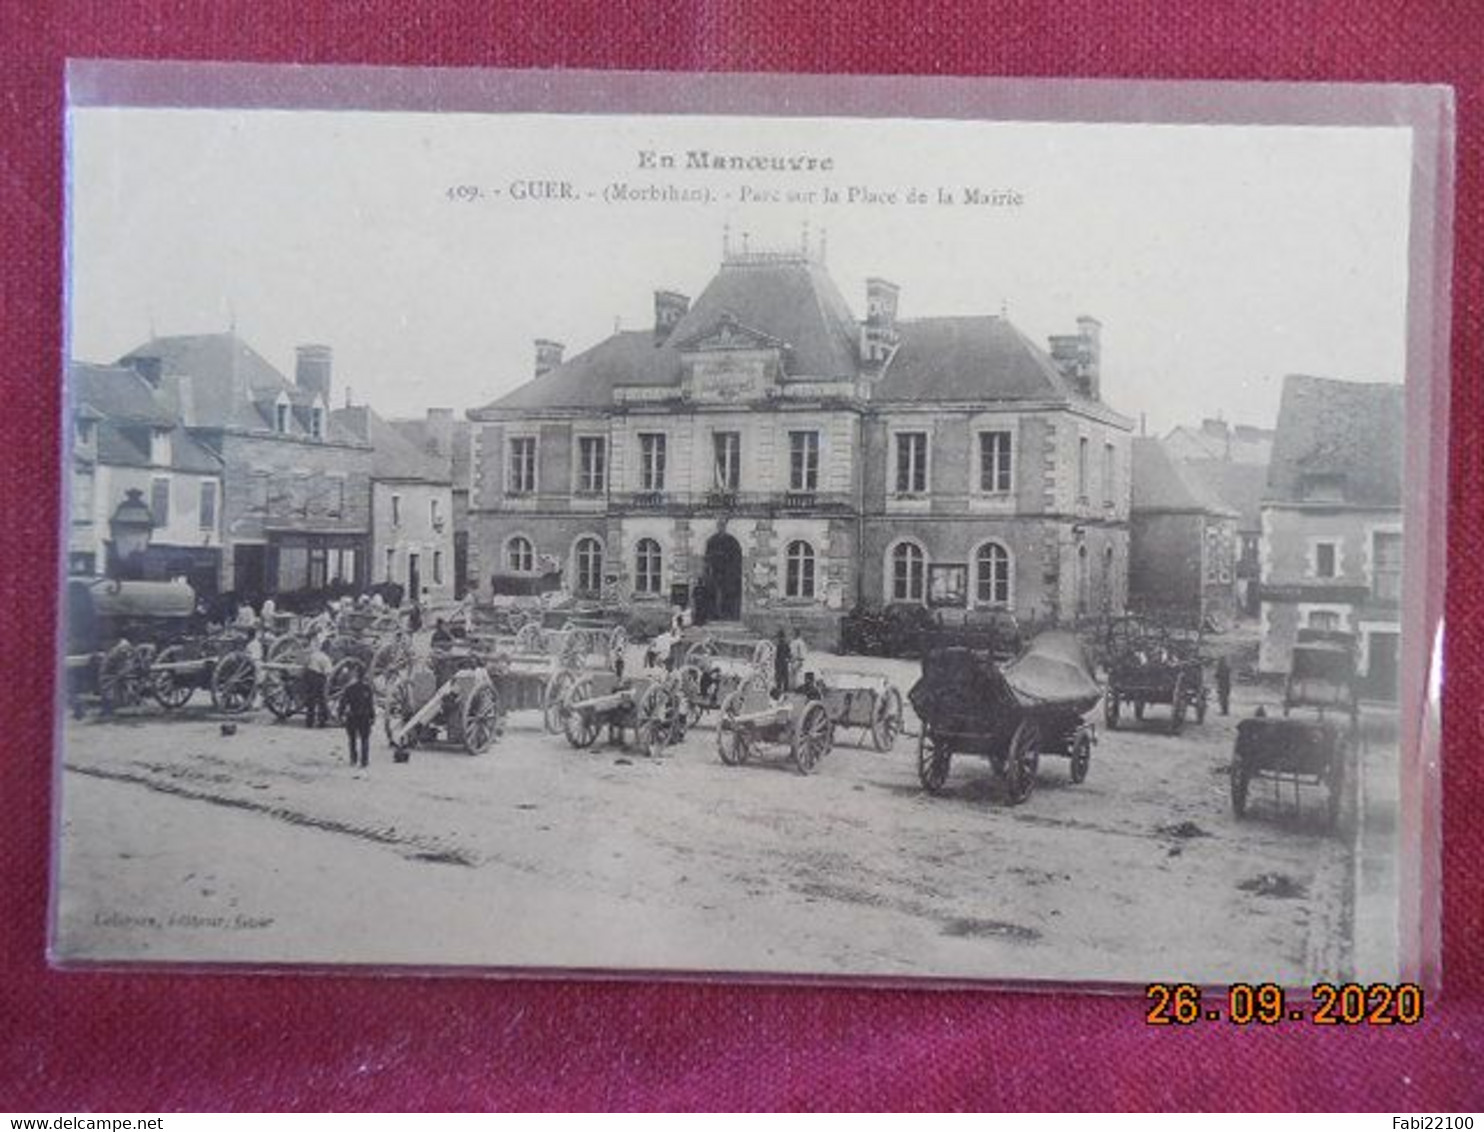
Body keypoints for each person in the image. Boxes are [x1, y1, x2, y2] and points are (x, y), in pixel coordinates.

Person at [341, 666, 375, 769]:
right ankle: (364, 761)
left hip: (352, 715)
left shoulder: (349, 688)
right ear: (364, 675)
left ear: (356, 674)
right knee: (365, 739)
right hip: (364, 716)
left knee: (352, 739)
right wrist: (372, 717)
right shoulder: (367, 688)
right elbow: (370, 704)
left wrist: (340, 714)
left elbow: (343, 703)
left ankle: (353, 759)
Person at [303, 639, 333, 729]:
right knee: (322, 701)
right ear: (328, 649)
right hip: (318, 678)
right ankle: (322, 721)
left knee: (311, 700)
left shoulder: (314, 654)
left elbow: (306, 664)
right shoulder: (326, 658)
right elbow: (328, 672)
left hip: (309, 676)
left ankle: (309, 722)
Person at [773, 627, 791, 696]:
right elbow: (789, 654)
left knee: (779, 676)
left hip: (780, 662)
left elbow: (776, 655)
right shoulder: (786, 644)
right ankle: (785, 689)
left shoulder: (778, 645)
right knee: (785, 676)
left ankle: (779, 689)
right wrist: (788, 659)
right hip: (784, 662)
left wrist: (775, 662)